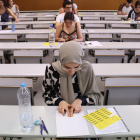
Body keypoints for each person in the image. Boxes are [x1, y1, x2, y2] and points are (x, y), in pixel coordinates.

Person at [42, 42, 102, 117]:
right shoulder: (51, 69)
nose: (71, 72)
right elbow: (46, 94)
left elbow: (95, 95)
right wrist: (59, 101)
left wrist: (81, 100)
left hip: (82, 111)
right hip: (59, 112)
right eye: (67, 67)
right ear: (61, 60)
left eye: (76, 67)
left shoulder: (86, 68)